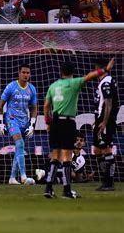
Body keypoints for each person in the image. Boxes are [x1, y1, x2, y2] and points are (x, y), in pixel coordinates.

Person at [43, 58, 115, 199]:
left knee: (55, 155)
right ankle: (67, 190)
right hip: (68, 122)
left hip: (55, 122)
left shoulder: (53, 86)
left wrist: (48, 122)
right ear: (73, 72)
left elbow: (46, 106)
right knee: (67, 157)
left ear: (61, 72)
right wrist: (105, 69)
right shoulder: (74, 83)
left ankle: (48, 188)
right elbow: (90, 76)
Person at [0, 64, 38, 185]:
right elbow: (0, 106)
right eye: (24, 72)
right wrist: (0, 123)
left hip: (24, 122)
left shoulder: (32, 89)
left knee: (19, 148)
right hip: (12, 120)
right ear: (19, 73)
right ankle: (24, 177)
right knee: (19, 143)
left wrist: (32, 125)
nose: (26, 75)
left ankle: (12, 178)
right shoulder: (11, 86)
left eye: (28, 73)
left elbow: (34, 108)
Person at [93, 58, 119, 191]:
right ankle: (105, 179)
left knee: (106, 149)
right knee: (97, 150)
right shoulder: (104, 81)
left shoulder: (106, 82)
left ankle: (109, 182)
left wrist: (104, 121)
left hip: (105, 120)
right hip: (100, 119)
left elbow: (108, 102)